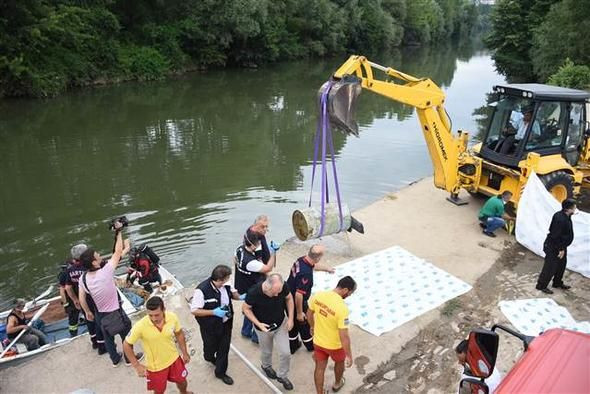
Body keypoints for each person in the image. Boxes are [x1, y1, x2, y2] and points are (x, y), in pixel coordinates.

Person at [79, 221, 142, 366]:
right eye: (97, 256)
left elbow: (82, 297)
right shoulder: (105, 272)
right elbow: (118, 252)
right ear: (94, 263)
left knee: (108, 337)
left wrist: (88, 312)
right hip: (115, 311)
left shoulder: (83, 278)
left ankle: (114, 359)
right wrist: (119, 231)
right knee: (126, 334)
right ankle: (129, 359)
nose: (100, 255)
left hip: (100, 314)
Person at [124, 296, 192, 394]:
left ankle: (184, 392)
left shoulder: (172, 317)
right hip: (155, 367)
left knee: (182, 381)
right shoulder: (140, 326)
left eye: (157, 315)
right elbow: (126, 344)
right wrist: (137, 365)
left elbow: (179, 333)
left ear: (164, 309)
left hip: (174, 359)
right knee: (159, 391)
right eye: (150, 315)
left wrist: (185, 353)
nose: (153, 318)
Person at [191, 265, 241, 385]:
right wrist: (214, 312)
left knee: (224, 349)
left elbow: (234, 294)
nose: (229, 280)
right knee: (210, 348)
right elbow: (195, 310)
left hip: (226, 323)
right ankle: (209, 357)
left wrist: (241, 297)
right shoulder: (201, 290)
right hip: (210, 327)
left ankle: (220, 373)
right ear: (219, 279)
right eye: (227, 278)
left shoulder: (227, 284)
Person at [242, 274, 295, 391]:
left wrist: (291, 318)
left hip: (281, 324)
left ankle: (282, 376)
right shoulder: (254, 293)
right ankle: (266, 366)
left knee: (286, 353)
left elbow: (289, 298)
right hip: (263, 329)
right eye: (274, 293)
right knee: (266, 351)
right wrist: (258, 323)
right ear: (266, 287)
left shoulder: (282, 287)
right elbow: (245, 308)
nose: (277, 295)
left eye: (279, 292)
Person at [307, 276, 356, 394]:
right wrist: (349, 355)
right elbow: (344, 336)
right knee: (339, 363)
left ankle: (320, 392)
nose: (349, 295)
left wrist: (312, 326)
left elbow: (309, 313)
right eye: (350, 293)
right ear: (345, 290)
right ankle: (337, 383)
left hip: (318, 342)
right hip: (335, 346)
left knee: (319, 368)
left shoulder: (318, 295)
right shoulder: (342, 309)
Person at [286, 244, 334, 354]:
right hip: (296, 301)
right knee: (304, 324)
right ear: (318, 258)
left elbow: (313, 266)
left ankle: (292, 346)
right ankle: (310, 345)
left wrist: (326, 269)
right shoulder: (306, 274)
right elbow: (299, 295)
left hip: (287, 295)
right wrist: (299, 312)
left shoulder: (302, 260)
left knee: (292, 323)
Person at [58, 243, 106, 354]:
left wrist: (75, 300)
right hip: (95, 298)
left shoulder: (70, 270)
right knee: (98, 321)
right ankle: (101, 345)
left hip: (82, 301)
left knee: (89, 320)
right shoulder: (89, 267)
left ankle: (94, 342)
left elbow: (68, 287)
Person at [234, 228, 274, 344]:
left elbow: (235, 261)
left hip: (243, 284)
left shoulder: (239, 250)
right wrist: (273, 253)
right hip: (253, 288)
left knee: (248, 307)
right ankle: (257, 337)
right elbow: (268, 268)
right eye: (257, 244)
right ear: (252, 245)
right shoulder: (250, 263)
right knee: (258, 311)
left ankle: (246, 331)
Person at [535, 198, 577, 294]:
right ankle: (541, 285)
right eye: (574, 208)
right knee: (550, 267)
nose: (575, 209)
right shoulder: (560, 218)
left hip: (562, 246)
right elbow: (555, 236)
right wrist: (561, 249)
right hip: (554, 246)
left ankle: (557, 282)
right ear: (568, 209)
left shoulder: (567, 216)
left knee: (561, 265)